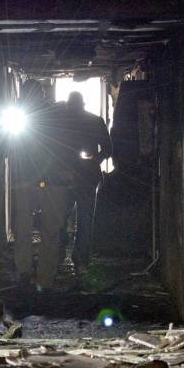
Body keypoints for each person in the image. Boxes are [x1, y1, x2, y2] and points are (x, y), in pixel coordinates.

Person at [9, 80, 74, 290]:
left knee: (44, 228)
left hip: (47, 179)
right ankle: (32, 274)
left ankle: (38, 276)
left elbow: (64, 146)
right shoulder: (23, 118)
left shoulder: (53, 117)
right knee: (32, 227)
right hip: (35, 179)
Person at [62, 91, 112, 274]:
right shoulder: (95, 121)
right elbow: (108, 149)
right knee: (84, 220)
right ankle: (80, 260)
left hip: (66, 178)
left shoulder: (63, 123)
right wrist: (94, 160)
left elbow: (54, 150)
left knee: (59, 218)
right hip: (87, 178)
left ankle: (58, 256)